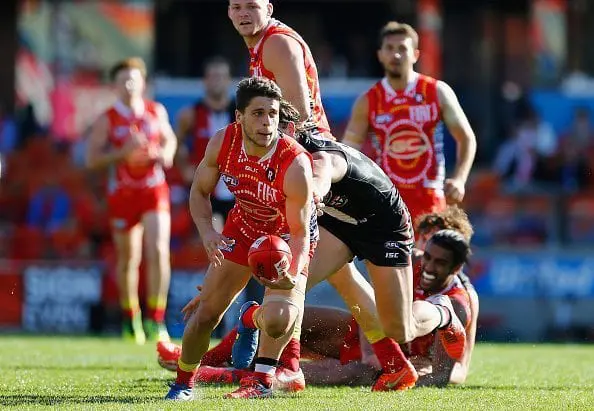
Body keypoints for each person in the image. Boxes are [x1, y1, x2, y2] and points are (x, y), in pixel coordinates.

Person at [180, 99, 467, 396]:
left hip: (383, 226)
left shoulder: (318, 156)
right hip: (339, 223)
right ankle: (266, 378)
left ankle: (442, 313)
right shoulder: (276, 158)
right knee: (287, 288)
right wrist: (214, 283)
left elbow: (323, 174)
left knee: (400, 327)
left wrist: (314, 194)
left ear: (289, 129)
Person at [157, 206, 479, 388]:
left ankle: (230, 374)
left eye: (441, 261)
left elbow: (451, 371)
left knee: (358, 370)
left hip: (386, 360)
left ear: (458, 265)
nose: (430, 265)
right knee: (293, 314)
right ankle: (206, 357)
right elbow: (372, 301)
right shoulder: (409, 263)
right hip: (368, 336)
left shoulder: (460, 300)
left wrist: (420, 371)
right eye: (427, 252)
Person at [165, 77, 316, 401]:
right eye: (258, 113)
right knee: (205, 314)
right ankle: (182, 384)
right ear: (239, 117)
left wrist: (293, 271)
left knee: (277, 321)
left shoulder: (295, 163)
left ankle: (257, 358)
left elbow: (301, 232)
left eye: (273, 114)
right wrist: (207, 232)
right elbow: (199, 191)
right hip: (242, 228)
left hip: (284, 238)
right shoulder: (223, 142)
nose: (267, 122)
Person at [342, 21, 477, 222]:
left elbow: (466, 138)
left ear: (415, 54)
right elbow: (348, 151)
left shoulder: (436, 92)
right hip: (387, 199)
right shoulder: (369, 100)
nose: (396, 55)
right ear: (380, 55)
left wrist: (459, 179)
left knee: (429, 253)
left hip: (430, 199)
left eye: (402, 49)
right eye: (389, 48)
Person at [86, 57, 177, 344]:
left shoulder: (155, 111)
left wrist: (165, 153)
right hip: (123, 193)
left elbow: (169, 140)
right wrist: (121, 153)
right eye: (123, 79)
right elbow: (91, 159)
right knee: (129, 259)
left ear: (143, 83)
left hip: (153, 189)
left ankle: (157, 319)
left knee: (160, 250)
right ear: (114, 85)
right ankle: (130, 318)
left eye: (134, 79)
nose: (129, 85)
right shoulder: (108, 118)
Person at [228, 0, 332, 139]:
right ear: (229, 12)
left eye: (252, 6)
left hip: (309, 142)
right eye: (236, 7)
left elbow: (298, 113)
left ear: (269, 10)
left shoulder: (277, 43)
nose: (243, 13)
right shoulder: (260, 44)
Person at [175, 56, 235, 231]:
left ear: (228, 80)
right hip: (208, 189)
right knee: (216, 242)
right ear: (205, 81)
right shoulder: (190, 114)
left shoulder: (241, 113)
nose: (217, 81)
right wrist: (185, 167)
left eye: (221, 76)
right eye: (213, 76)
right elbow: (176, 144)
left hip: (238, 190)